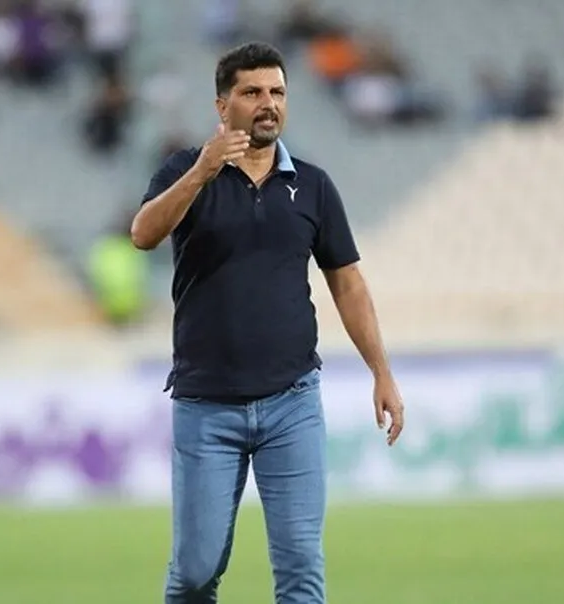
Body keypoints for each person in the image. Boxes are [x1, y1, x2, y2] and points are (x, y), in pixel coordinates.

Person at [131, 41, 404, 603]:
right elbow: (143, 234)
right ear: (221, 105)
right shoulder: (185, 170)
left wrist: (382, 371)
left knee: (302, 566)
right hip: (207, 404)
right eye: (252, 92)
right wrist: (203, 172)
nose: (268, 103)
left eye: (277, 92)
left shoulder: (313, 185)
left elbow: (348, 283)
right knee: (195, 571)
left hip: (291, 401)